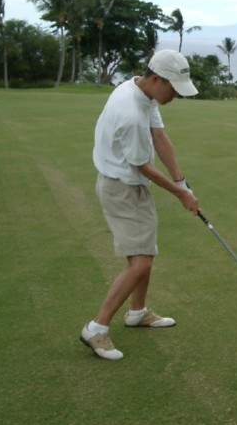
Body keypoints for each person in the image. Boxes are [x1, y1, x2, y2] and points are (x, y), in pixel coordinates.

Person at [80, 49, 200, 360]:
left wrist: (181, 180)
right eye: (173, 88)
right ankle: (96, 328)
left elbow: (159, 135)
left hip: (130, 186)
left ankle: (137, 312)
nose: (175, 95)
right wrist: (180, 194)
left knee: (146, 251)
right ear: (157, 79)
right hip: (120, 187)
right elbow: (143, 166)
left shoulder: (143, 93)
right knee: (141, 263)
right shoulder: (130, 112)